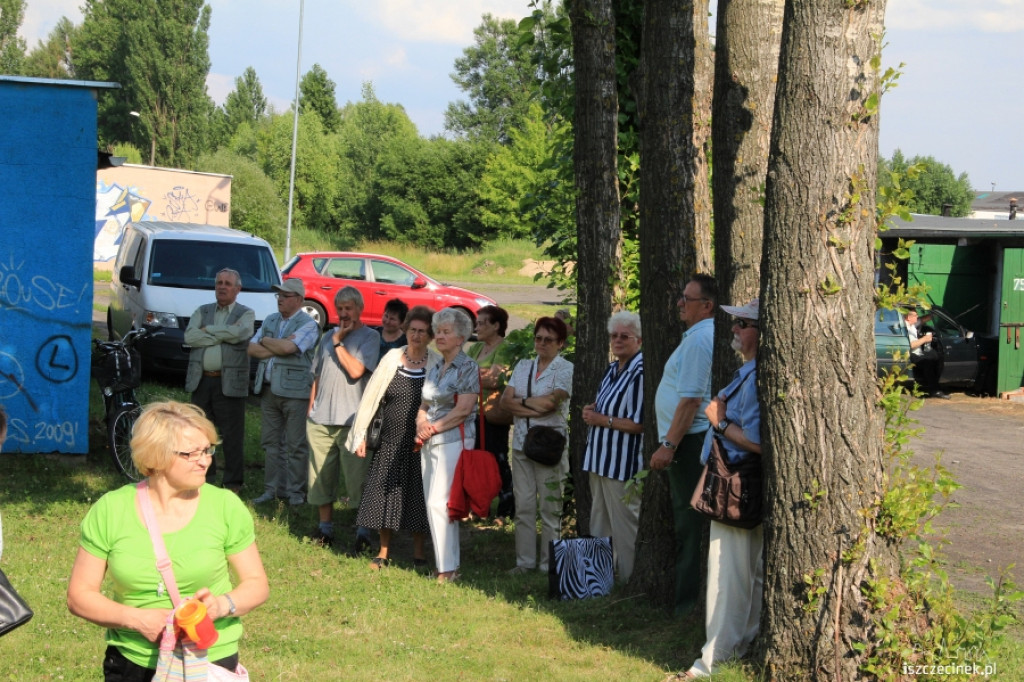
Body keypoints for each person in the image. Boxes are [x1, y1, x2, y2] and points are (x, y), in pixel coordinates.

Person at [67, 401, 269, 680]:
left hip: (209, 660)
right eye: (191, 453)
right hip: (132, 663)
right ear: (155, 456)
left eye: (207, 450)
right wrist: (137, 620)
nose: (205, 460)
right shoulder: (111, 509)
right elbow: (79, 596)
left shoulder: (226, 506)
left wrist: (221, 606)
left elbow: (257, 585)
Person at [676, 298, 763, 680]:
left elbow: (760, 442)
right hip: (732, 479)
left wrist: (719, 422)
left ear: (760, 332)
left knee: (727, 574)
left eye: (742, 323)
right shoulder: (748, 370)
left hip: (738, 482)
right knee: (743, 572)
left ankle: (715, 660)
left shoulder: (758, 376)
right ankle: (740, 645)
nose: (733, 329)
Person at [348, 306, 440, 569]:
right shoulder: (391, 358)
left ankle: (419, 554)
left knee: (417, 497)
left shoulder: (435, 363)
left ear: (430, 335)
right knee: (384, 495)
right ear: (405, 330)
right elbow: (371, 399)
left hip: (421, 443)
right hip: (389, 440)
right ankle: (383, 552)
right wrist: (361, 434)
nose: (417, 336)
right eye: (412, 330)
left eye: (423, 331)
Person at [650, 274, 716, 615]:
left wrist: (668, 445)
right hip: (687, 442)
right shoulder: (697, 336)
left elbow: (690, 401)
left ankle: (687, 604)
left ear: (707, 305)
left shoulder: (699, 340)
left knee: (689, 521)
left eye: (687, 299)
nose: (679, 303)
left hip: (690, 443)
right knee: (686, 519)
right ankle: (688, 598)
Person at [305, 287, 381, 551]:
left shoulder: (369, 337)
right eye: (340, 308)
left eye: (349, 308)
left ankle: (363, 532)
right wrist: (310, 409)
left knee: (357, 479)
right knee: (321, 477)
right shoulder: (326, 336)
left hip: (352, 423)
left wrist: (339, 341)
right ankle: (325, 529)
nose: (344, 313)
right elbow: (316, 374)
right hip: (320, 420)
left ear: (360, 309)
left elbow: (356, 370)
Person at [501, 316, 574, 575]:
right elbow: (504, 401)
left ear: (561, 344)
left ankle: (548, 565)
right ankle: (524, 562)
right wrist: (533, 404)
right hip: (521, 444)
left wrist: (522, 403)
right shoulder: (523, 366)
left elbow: (550, 405)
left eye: (549, 340)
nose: (542, 344)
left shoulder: (565, 369)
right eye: (538, 338)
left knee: (550, 507)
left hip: (549, 447)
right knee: (524, 506)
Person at [415, 307, 480, 583]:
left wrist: (431, 429)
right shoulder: (435, 366)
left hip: (453, 440)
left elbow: (464, 409)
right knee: (433, 504)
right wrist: (421, 421)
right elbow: (425, 403)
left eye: (446, 332)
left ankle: (448, 568)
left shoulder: (468, 367)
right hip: (429, 439)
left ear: (460, 338)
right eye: (438, 331)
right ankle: (444, 564)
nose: (439, 336)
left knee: (440, 503)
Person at [580, 311, 644, 581]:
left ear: (638, 340)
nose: (617, 341)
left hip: (622, 464)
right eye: (613, 335)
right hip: (599, 460)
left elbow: (639, 423)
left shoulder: (640, 371)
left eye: (624, 336)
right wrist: (591, 411)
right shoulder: (612, 368)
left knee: (625, 527)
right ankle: (600, 581)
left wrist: (600, 419)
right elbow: (606, 408)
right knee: (600, 523)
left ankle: (629, 580)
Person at [249, 279, 320, 506]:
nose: (280, 299)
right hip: (269, 390)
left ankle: (296, 493)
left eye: (286, 295)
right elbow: (252, 349)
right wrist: (278, 345)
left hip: (296, 393)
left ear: (299, 300)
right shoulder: (271, 319)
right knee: (271, 443)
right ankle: (272, 490)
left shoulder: (309, 324)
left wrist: (267, 341)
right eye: (279, 295)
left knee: (296, 445)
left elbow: (290, 348)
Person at [183, 268, 255, 493]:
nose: (222, 287)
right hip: (201, 382)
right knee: (200, 434)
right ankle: (204, 478)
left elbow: (242, 334)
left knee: (232, 436)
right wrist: (224, 334)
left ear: (237, 289)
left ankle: (233, 483)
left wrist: (210, 331)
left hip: (229, 384)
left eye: (227, 283)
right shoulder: (202, 310)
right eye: (219, 283)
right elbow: (189, 336)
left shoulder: (246, 313)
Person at [466, 305, 517, 520]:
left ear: (496, 326)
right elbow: (461, 373)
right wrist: (480, 375)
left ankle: (506, 509)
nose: (476, 327)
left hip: (494, 414)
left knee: (498, 460)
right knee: (475, 461)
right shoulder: (476, 349)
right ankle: (479, 506)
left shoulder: (504, 348)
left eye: (481, 323)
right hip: (472, 414)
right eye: (476, 323)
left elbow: (495, 380)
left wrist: (474, 376)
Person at [906, 308, 948, 399]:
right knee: (927, 362)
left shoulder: (912, 325)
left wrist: (934, 314)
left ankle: (932, 383)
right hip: (911, 355)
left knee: (936, 357)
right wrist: (925, 339)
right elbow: (912, 345)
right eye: (915, 315)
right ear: (909, 317)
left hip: (919, 352)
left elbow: (922, 320)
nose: (917, 316)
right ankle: (935, 390)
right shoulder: (906, 327)